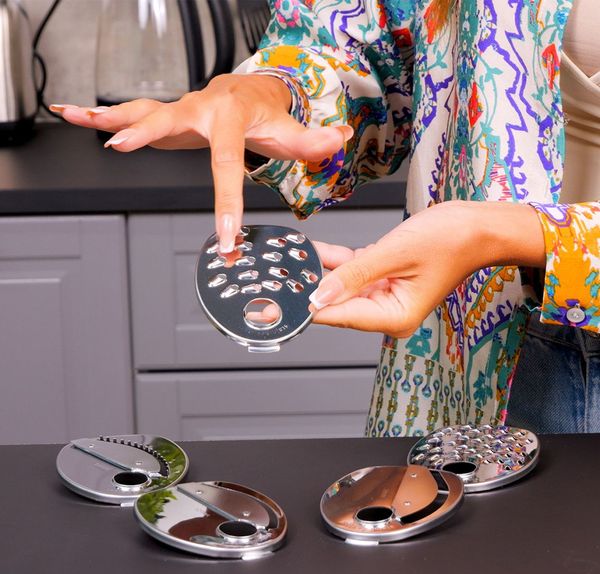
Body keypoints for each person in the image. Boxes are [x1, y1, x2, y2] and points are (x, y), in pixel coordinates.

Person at [52, 0, 600, 435]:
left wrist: (497, 234)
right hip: (481, 353)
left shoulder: (476, 234)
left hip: (479, 271)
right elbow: (369, 43)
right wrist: (276, 91)